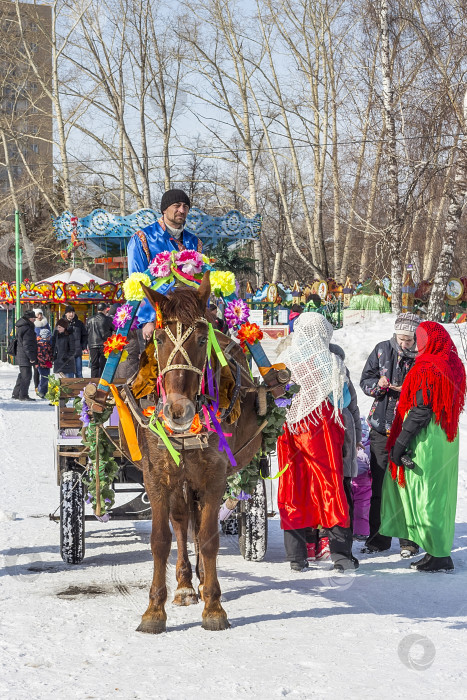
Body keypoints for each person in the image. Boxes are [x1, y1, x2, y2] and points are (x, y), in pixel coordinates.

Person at [381, 321, 466, 572]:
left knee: (425, 493)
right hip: (447, 435)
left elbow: (420, 410)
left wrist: (400, 444)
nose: (417, 345)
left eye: (419, 339)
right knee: (441, 494)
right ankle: (437, 550)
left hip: (426, 437)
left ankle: (438, 555)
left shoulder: (427, 367)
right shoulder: (453, 364)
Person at [277, 313, 358, 572]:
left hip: (289, 432)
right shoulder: (333, 363)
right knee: (330, 488)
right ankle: (341, 556)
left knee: (293, 489)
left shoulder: (283, 362)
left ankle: (297, 557)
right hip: (322, 432)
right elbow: (342, 401)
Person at [360, 312, 421, 557]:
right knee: (381, 484)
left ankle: (409, 541)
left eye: (408, 340)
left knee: (408, 486)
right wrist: (378, 386)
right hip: (381, 427)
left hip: (410, 429)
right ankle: (378, 539)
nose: (404, 344)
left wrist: (408, 390)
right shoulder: (382, 349)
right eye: (400, 338)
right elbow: (365, 380)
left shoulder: (421, 356)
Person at [127, 189, 202, 340]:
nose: (182, 210)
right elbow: (138, 283)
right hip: (157, 317)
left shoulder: (194, 242)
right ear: (164, 209)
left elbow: (198, 281)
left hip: (189, 316)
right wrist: (147, 320)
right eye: (177, 205)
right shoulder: (143, 238)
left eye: (185, 207)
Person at [11, 309, 38, 401]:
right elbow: (27, 345)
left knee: (22, 375)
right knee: (27, 376)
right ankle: (23, 395)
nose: (34, 320)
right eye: (33, 318)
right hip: (25, 355)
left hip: (21, 354)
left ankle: (16, 393)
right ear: (29, 318)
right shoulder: (28, 328)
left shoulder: (22, 326)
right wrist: (31, 357)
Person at [86, 302, 113, 377]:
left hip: (93, 345)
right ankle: (102, 383)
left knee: (94, 365)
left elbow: (87, 332)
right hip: (104, 345)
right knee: (103, 366)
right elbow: (114, 329)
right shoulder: (108, 319)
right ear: (105, 310)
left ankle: (93, 383)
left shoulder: (89, 320)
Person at [64, 305, 87, 378]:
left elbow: (84, 335)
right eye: (69, 312)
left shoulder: (79, 323)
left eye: (73, 312)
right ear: (66, 314)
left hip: (77, 351)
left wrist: (84, 346)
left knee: (79, 373)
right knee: (69, 375)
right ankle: (69, 389)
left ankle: (80, 388)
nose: (71, 314)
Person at [33, 309, 51, 393]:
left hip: (45, 346)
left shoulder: (45, 323)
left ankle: (43, 388)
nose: (39, 316)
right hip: (37, 346)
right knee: (37, 371)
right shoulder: (33, 324)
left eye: (41, 314)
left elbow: (49, 332)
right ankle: (37, 387)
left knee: (46, 374)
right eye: (38, 315)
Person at [36, 328, 53, 398]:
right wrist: (46, 361)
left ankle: (44, 391)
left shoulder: (47, 344)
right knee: (44, 378)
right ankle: (40, 391)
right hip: (42, 364)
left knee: (47, 377)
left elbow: (49, 353)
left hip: (46, 364)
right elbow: (39, 355)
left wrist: (50, 360)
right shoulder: (40, 344)